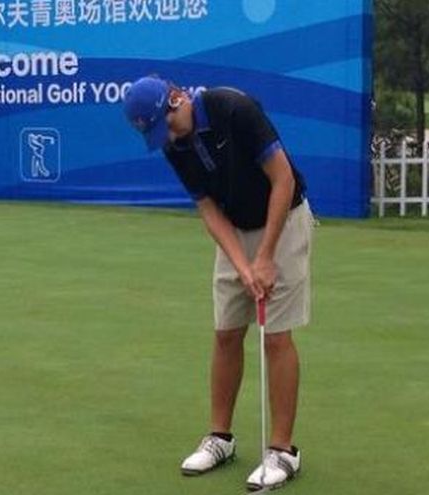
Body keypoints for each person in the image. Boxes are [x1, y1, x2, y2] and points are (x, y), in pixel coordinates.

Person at [123, 76, 313, 492]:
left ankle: (283, 451)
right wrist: (243, 266)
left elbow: (283, 180)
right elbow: (208, 209)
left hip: (283, 220)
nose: (169, 137)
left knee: (275, 337)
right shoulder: (173, 144)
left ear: (177, 99)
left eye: (167, 126)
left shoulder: (233, 109)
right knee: (226, 333)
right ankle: (220, 438)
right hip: (234, 228)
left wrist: (265, 257)